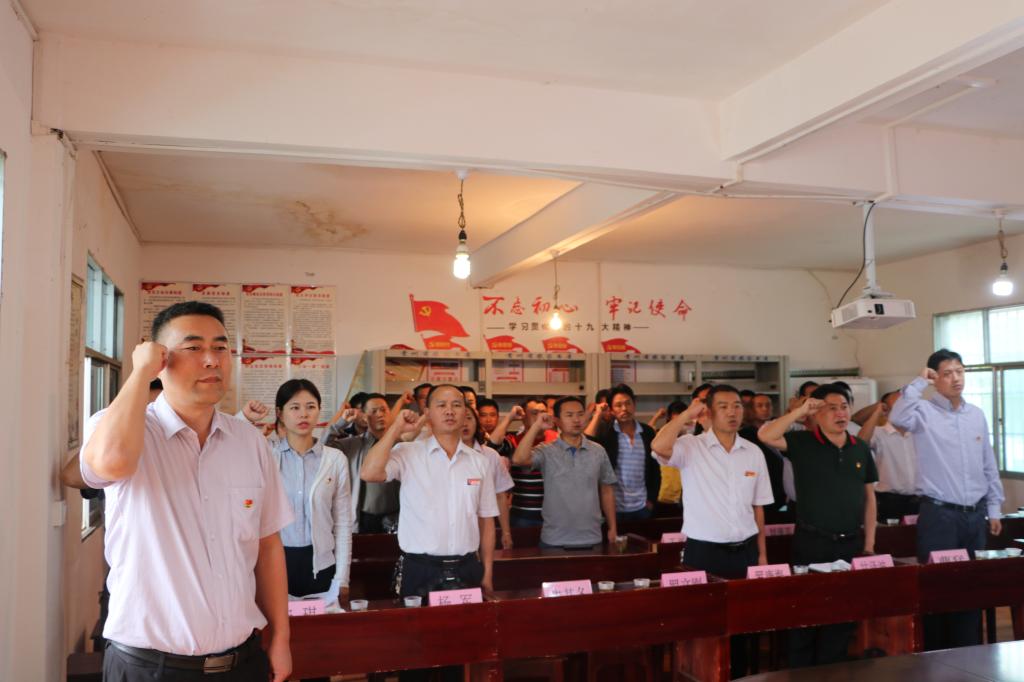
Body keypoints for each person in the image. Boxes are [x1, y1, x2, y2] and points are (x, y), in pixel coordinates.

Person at [81, 301, 293, 681]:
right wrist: (141, 371)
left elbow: (267, 545)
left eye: (220, 347)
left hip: (242, 663)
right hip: (150, 669)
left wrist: (281, 636)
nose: (212, 359)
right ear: (159, 359)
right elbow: (110, 464)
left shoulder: (249, 441)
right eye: (194, 347)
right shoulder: (121, 427)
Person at [361, 384, 497, 682]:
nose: (450, 411)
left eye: (457, 405)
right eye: (441, 405)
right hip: (419, 569)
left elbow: (487, 520)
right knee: (415, 659)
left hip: (465, 567)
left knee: (458, 657)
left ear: (466, 413)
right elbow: (369, 472)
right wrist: (396, 429)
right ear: (428, 412)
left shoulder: (480, 461)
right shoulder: (408, 452)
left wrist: (487, 572)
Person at [652, 385, 773, 678]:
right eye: (723, 406)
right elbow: (659, 446)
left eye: (736, 406)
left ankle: (740, 676)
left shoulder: (753, 452)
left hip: (745, 552)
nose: (732, 412)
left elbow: (758, 508)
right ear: (709, 411)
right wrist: (687, 416)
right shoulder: (691, 446)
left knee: (742, 628)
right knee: (701, 626)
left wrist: (762, 557)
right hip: (704, 553)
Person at [889, 349, 1004, 651]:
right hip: (940, 516)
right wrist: (918, 382)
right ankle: (936, 658)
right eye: (947, 373)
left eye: (960, 371)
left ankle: (969, 653)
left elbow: (988, 463)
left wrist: (994, 508)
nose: (956, 378)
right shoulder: (922, 412)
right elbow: (897, 417)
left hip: (974, 515)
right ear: (934, 378)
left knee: (971, 589)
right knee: (938, 589)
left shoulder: (975, 414)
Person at [758, 384, 877, 669]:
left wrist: (869, 545)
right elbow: (766, 435)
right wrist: (799, 411)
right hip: (812, 542)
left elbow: (869, 498)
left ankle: (831, 672)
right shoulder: (802, 443)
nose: (840, 414)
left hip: (849, 543)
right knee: (806, 616)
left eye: (844, 407)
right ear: (816, 413)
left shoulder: (860, 447)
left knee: (842, 617)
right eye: (831, 408)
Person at [271, 379, 352, 638]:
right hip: (277, 562)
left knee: (320, 641)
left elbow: (343, 524)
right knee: (279, 638)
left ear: (319, 410)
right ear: (280, 413)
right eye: (294, 407)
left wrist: (342, 578)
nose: (303, 414)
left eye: (310, 406)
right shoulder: (267, 456)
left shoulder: (335, 459)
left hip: (321, 565)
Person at [512, 397, 618, 549]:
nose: (576, 420)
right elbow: (519, 459)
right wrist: (536, 426)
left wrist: (612, 527)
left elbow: (607, 490)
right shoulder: (546, 450)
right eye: (569, 415)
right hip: (554, 539)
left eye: (580, 414)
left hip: (592, 537)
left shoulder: (598, 451)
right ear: (557, 420)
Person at [327, 393, 401, 534]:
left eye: (383, 410)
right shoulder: (352, 444)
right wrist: (341, 423)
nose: (380, 414)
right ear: (364, 417)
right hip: (363, 518)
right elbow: (323, 447)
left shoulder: (400, 444)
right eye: (374, 411)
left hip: (396, 516)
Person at [588, 384, 661, 521]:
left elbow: (655, 470)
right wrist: (598, 414)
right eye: (618, 405)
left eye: (628, 403)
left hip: (642, 506)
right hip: (614, 507)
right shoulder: (607, 433)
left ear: (634, 405)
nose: (624, 409)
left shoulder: (647, 432)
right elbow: (587, 442)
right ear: (611, 410)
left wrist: (651, 500)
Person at [490, 398, 559, 528]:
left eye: (543, 412)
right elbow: (492, 445)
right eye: (534, 413)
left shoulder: (557, 439)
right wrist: (510, 417)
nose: (540, 417)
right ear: (523, 417)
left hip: (554, 515)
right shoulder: (513, 440)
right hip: (522, 514)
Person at [856, 391, 920, 522]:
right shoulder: (878, 433)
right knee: (890, 535)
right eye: (898, 405)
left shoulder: (919, 433)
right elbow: (860, 444)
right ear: (886, 410)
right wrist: (876, 413)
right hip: (890, 501)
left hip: (920, 501)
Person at [462, 406, 514, 549]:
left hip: (485, 527)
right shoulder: (443, 456)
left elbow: (500, 496)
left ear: (477, 423)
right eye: (461, 419)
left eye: (469, 418)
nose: (465, 424)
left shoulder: (490, 455)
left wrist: (506, 532)